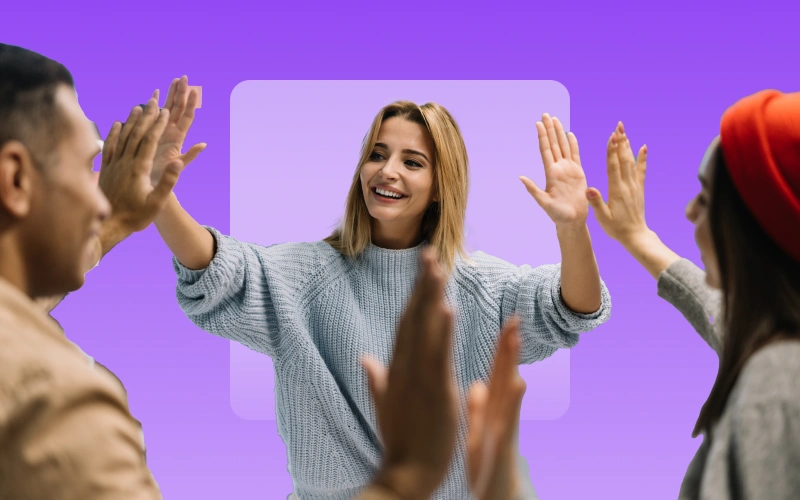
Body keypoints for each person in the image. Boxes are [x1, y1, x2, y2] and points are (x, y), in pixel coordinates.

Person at [153, 99, 612, 498]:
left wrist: (572, 228)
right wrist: (159, 197)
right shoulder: (305, 277)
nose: (387, 170)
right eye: (377, 154)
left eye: (412, 162)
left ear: (440, 187)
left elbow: (572, 307)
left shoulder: (482, 287)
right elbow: (218, 270)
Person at [586, 91, 800, 499]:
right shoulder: (777, 342)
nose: (689, 212)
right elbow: (725, 316)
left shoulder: (776, 382)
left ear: (755, 225)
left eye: (705, 198)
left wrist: (504, 482)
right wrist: (637, 237)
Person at [0, 43, 187, 498]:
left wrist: (114, 224)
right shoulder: (57, 403)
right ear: (16, 179)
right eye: (87, 166)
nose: (99, 200)